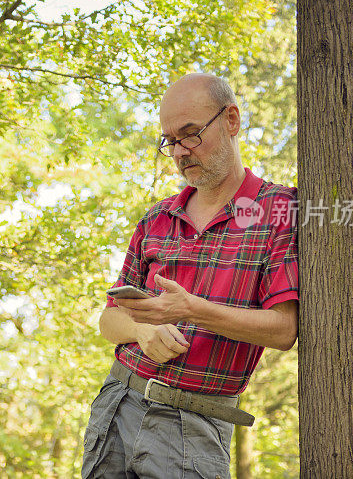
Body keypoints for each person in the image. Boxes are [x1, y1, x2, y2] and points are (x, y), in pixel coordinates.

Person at [81, 73, 299, 479]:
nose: (180, 151)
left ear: (231, 120)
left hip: (194, 424)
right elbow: (109, 320)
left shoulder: (278, 209)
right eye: (170, 141)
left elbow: (284, 330)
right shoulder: (157, 217)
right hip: (117, 406)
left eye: (190, 134)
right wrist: (142, 332)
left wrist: (191, 310)